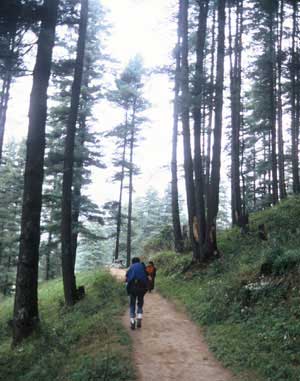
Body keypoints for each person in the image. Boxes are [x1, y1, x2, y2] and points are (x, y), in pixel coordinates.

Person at [126, 257, 148, 329]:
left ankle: (132, 321)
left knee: (132, 304)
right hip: (141, 287)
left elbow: (127, 278)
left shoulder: (131, 267)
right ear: (139, 261)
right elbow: (146, 276)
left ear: (132, 262)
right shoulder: (142, 266)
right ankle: (139, 317)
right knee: (140, 302)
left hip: (132, 288)